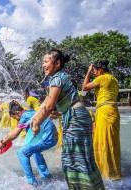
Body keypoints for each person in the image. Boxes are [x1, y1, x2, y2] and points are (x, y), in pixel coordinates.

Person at [31, 49, 104, 189]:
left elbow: (50, 106)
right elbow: (46, 102)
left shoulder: (57, 78)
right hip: (77, 117)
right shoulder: (56, 78)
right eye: (42, 62)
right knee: (79, 157)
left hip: (75, 118)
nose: (43, 65)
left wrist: (37, 124)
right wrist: (34, 117)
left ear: (57, 63)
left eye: (46, 61)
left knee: (74, 158)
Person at [0, 101, 57, 187]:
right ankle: (46, 176)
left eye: (16, 118)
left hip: (48, 138)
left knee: (21, 153)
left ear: (17, 113)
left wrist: (3, 142)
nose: (17, 120)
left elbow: (14, 134)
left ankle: (32, 183)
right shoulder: (31, 112)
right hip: (53, 137)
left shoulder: (24, 116)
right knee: (35, 151)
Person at [82, 60, 122, 180]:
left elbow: (84, 88)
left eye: (94, 71)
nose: (94, 74)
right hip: (113, 111)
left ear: (100, 70)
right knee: (112, 141)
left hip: (105, 111)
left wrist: (88, 72)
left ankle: (106, 172)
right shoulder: (114, 79)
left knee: (103, 141)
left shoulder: (102, 77)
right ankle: (114, 171)